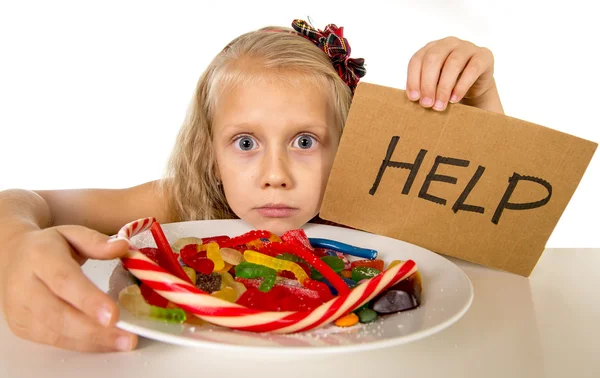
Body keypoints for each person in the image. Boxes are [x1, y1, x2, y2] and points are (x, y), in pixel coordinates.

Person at [0, 19, 504, 353]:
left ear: (348, 147)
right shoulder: (181, 206)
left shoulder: (376, 220)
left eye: (305, 140)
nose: (275, 173)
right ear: (210, 153)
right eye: (245, 143)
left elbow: (489, 234)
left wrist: (482, 113)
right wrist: (13, 243)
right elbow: (33, 202)